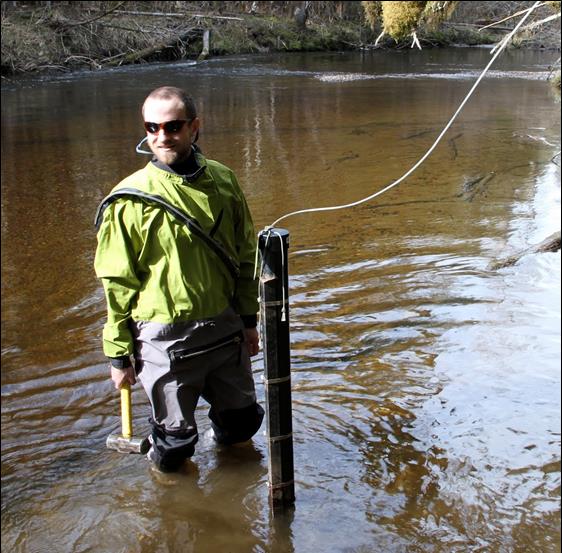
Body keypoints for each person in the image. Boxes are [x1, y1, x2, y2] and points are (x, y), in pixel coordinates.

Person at [94, 86, 264, 472]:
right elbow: (117, 284)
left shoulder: (224, 181)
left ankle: (233, 492)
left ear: (194, 127)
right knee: (174, 449)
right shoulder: (129, 199)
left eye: (172, 126)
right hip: (163, 340)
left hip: (224, 329)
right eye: (151, 127)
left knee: (242, 426)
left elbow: (244, 254)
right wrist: (119, 354)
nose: (161, 137)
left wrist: (249, 320)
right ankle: (173, 505)